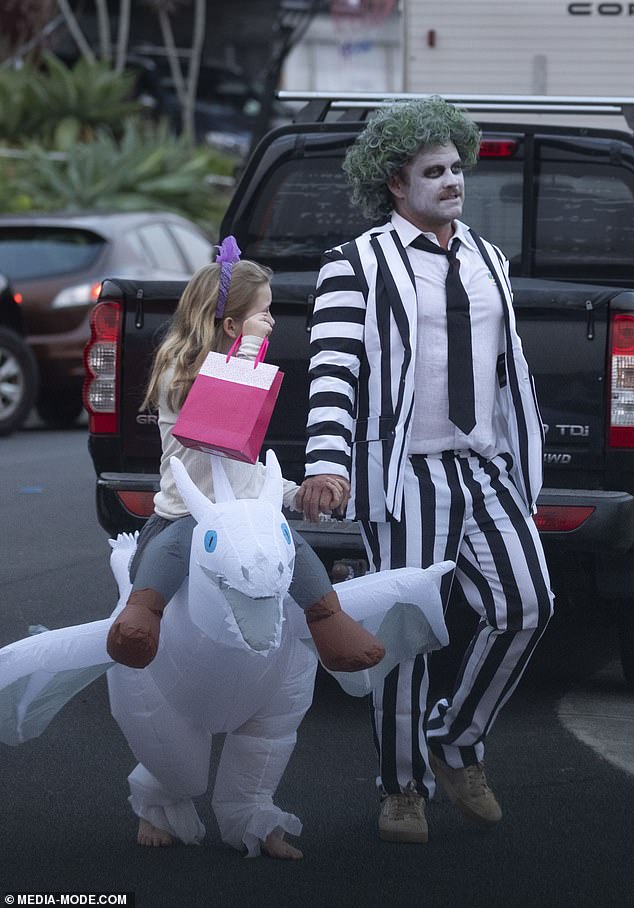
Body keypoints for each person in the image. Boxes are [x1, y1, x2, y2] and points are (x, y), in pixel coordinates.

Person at [296, 97, 554, 844]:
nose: (453, 181)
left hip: (485, 468)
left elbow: (508, 369)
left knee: (528, 603)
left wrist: (520, 450)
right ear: (393, 183)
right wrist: (327, 465)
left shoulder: (485, 256)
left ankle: (456, 741)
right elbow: (333, 372)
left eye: (455, 167)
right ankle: (401, 786)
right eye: (432, 171)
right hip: (406, 478)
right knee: (407, 635)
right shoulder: (357, 263)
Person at [106, 244, 385, 783]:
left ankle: (328, 619)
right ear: (231, 323)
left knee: (294, 548)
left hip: (245, 515)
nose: (273, 321)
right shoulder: (179, 376)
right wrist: (246, 351)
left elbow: (246, 464)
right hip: (187, 511)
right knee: (173, 542)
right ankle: (144, 613)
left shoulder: (245, 375)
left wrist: (291, 494)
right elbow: (212, 417)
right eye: (263, 313)